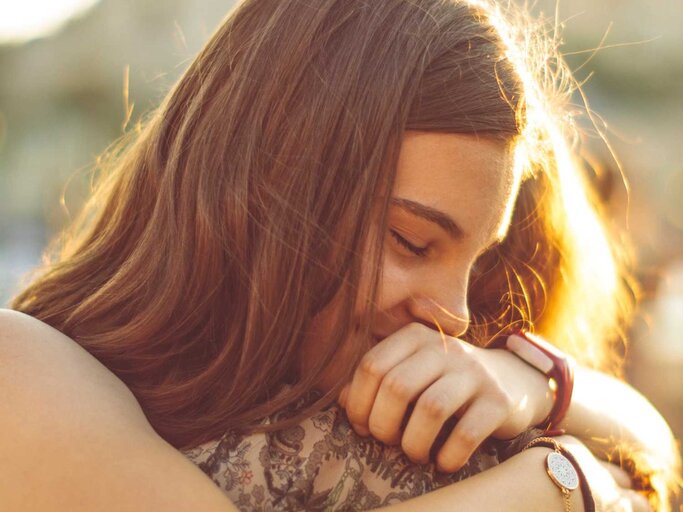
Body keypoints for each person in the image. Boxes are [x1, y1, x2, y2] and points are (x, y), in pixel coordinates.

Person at [1, 0, 680, 510]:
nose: (454, 313)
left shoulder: (393, 393)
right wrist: (560, 481)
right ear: (266, 188)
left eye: (476, 263)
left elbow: (649, 441)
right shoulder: (23, 366)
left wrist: (534, 382)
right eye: (412, 241)